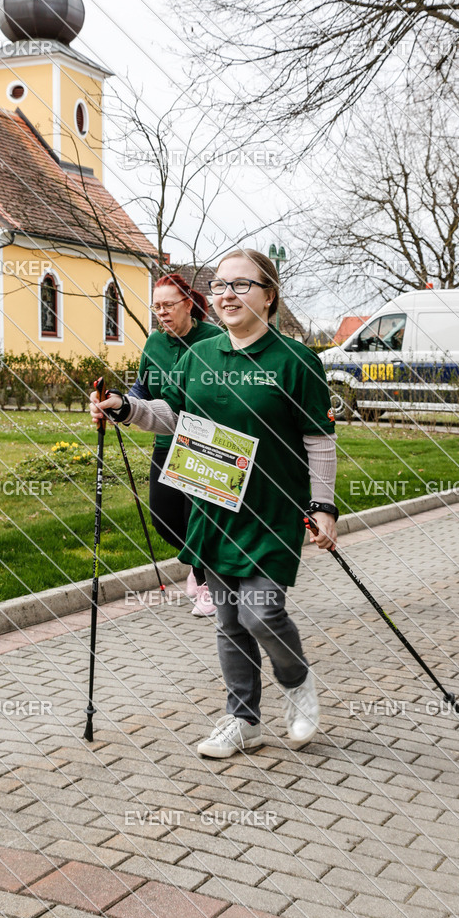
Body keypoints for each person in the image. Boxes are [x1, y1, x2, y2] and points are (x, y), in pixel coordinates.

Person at [91, 249, 338, 756]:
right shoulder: (195, 358)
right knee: (227, 620)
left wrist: (323, 506)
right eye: (221, 284)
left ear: (269, 296)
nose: (227, 294)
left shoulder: (295, 360)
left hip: (272, 509)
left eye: (242, 285)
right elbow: (169, 417)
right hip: (212, 505)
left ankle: (296, 683)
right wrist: (123, 407)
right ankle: (242, 718)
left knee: (261, 614)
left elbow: (318, 439)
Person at [130, 273, 223, 616]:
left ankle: (205, 581)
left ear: (188, 304)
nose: (162, 313)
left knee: (195, 514)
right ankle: (203, 566)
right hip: (166, 436)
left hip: (203, 441)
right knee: (164, 516)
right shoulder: (154, 343)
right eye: (156, 307)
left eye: (168, 305)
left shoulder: (213, 339)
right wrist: (122, 405)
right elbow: (142, 387)